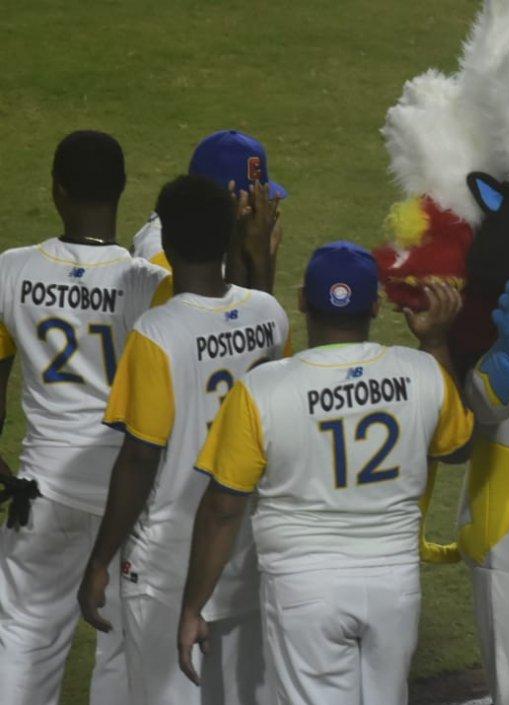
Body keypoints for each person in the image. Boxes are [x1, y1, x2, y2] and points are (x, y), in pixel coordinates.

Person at [177, 242, 474, 704]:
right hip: (393, 583)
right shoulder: (421, 371)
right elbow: (457, 449)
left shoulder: (262, 389)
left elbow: (221, 509)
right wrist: (435, 341)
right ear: (375, 306)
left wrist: (193, 605)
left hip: (304, 586)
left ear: (301, 300)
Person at [76, 174, 287, 705]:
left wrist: (100, 559)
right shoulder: (269, 315)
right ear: (226, 238)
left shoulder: (157, 332)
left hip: (169, 556)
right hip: (244, 549)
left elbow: (140, 457)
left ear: (165, 242)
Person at [0, 130, 171, 705]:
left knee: (24, 638)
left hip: (41, 491)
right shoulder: (147, 285)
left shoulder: (10, 272)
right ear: (122, 189)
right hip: (130, 495)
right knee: (123, 648)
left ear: (56, 190)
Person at [132, 129, 285, 290]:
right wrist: (262, 263)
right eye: (253, 205)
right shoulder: (169, 258)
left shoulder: (202, 234)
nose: (261, 216)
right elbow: (232, 314)